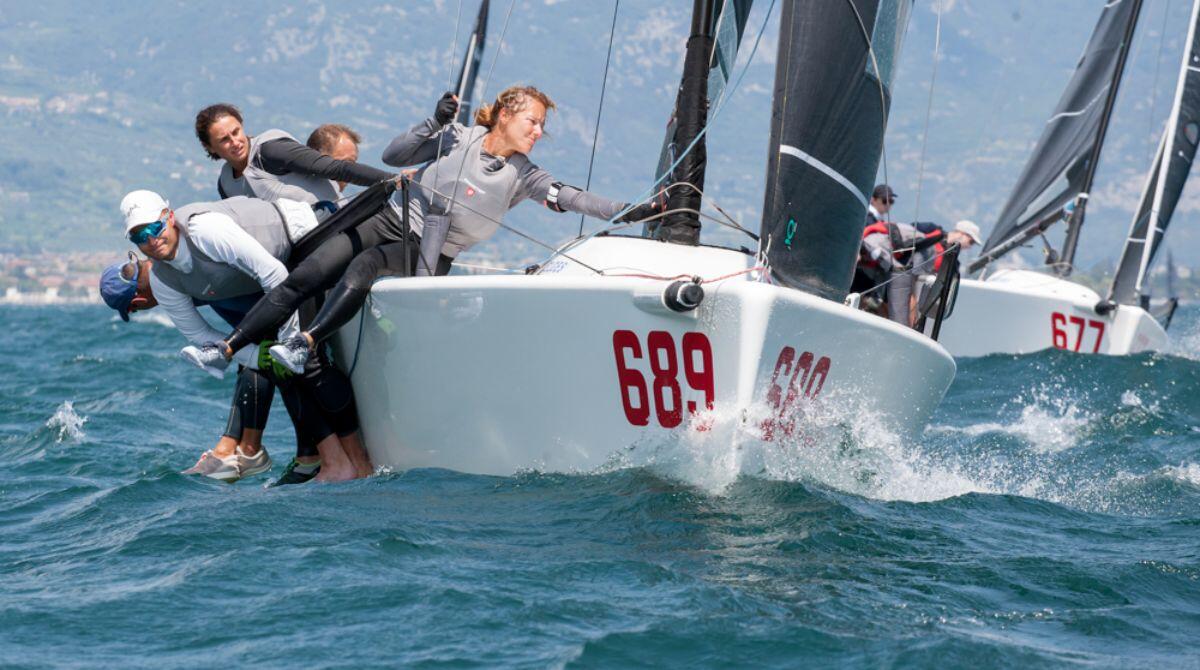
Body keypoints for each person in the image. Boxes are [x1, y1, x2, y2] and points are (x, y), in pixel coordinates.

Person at [181, 86, 659, 375]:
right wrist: (434, 121)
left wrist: (628, 210)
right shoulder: (457, 137)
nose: (538, 131)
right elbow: (393, 157)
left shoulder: (527, 175)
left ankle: (304, 345)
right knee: (313, 270)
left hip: (429, 249)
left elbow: (576, 199)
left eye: (540, 126)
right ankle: (226, 348)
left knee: (365, 266)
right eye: (533, 122)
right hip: (389, 216)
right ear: (507, 115)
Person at [114, 189, 368, 481]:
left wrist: (287, 343)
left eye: (153, 228)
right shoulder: (163, 280)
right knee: (283, 367)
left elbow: (272, 274)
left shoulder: (203, 230)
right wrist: (258, 357)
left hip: (301, 242)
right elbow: (199, 335)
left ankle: (357, 465)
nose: (150, 240)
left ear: (170, 218)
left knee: (306, 363)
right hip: (276, 281)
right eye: (138, 237)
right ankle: (329, 461)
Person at [195, 103, 393, 214]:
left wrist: (391, 179)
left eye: (236, 132)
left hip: (336, 222)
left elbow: (336, 168)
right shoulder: (226, 183)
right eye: (224, 140)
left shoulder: (271, 150)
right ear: (210, 147)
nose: (235, 142)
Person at [306, 123, 365, 194]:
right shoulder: (294, 196)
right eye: (346, 164)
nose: (351, 173)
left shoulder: (340, 202)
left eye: (352, 165)